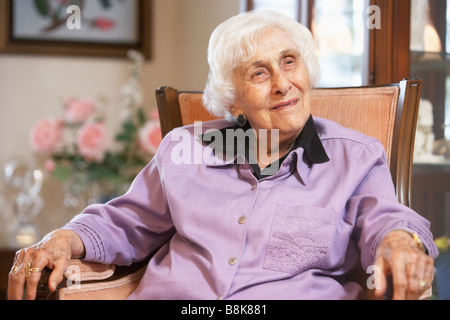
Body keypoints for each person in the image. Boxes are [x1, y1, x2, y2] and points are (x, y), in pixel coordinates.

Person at [9, 10, 437, 300]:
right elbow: (127, 221)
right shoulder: (186, 149)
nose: (282, 84)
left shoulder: (355, 158)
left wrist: (401, 242)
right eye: (259, 72)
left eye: (290, 62)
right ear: (233, 100)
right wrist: (62, 238)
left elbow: (388, 220)